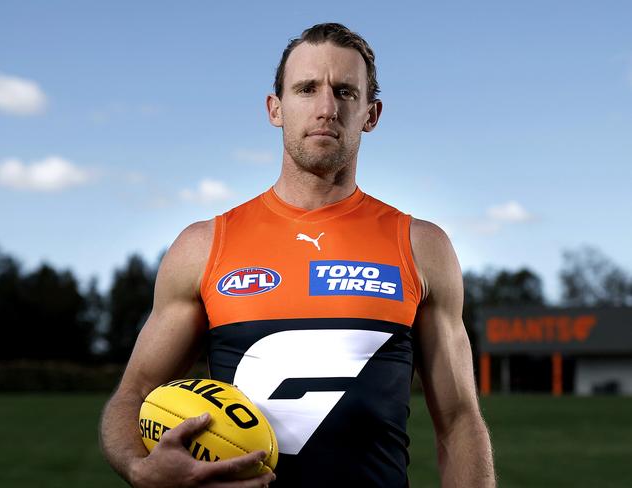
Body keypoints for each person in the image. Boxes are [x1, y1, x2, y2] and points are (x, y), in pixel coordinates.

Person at [100, 22, 495, 487]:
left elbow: (459, 420)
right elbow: (135, 393)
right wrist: (139, 468)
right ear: (276, 108)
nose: (326, 108)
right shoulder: (204, 246)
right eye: (307, 89)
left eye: (346, 92)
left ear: (371, 113)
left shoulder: (421, 246)